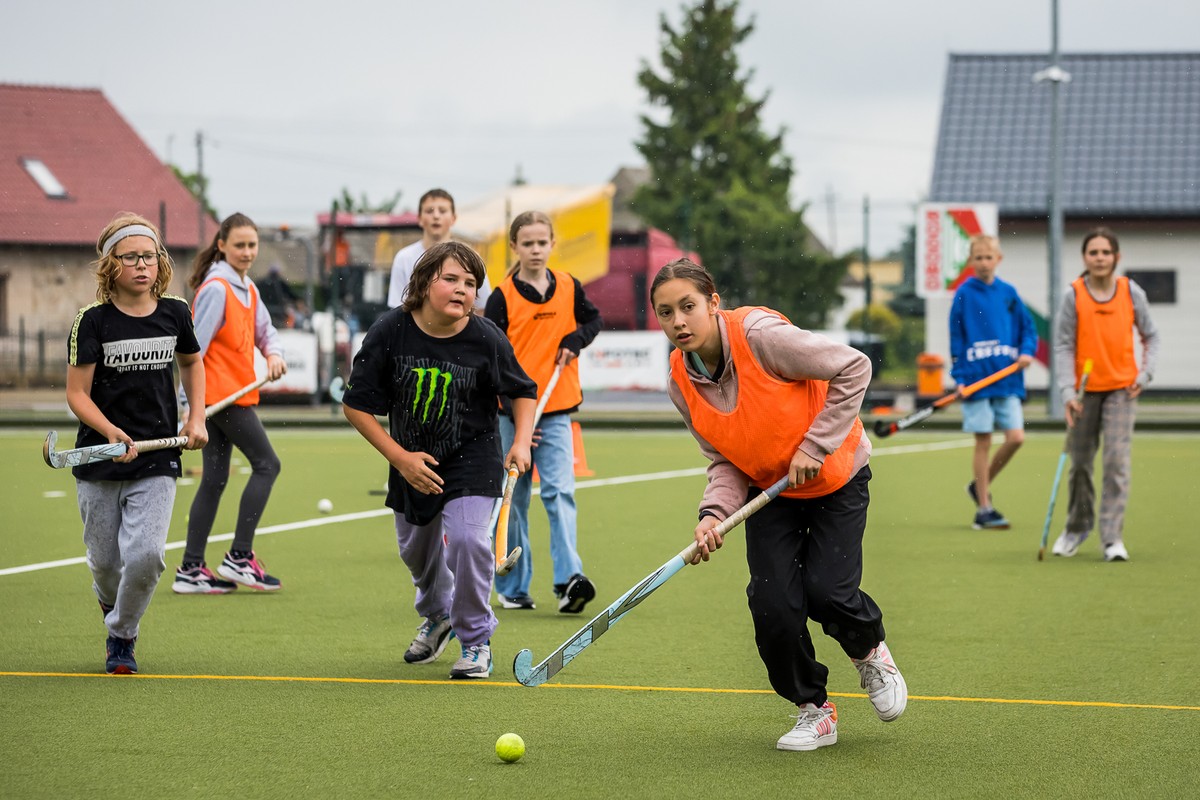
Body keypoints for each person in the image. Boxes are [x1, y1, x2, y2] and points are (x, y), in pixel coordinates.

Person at [650, 258, 906, 752]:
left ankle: (869, 650)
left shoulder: (762, 337)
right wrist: (712, 515)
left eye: (688, 307)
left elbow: (855, 366)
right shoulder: (680, 382)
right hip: (770, 491)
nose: (678, 321)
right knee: (772, 604)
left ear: (713, 304)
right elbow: (724, 459)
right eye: (665, 313)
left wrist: (815, 444)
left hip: (835, 477)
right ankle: (813, 709)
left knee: (827, 591)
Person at [343, 242, 536, 679]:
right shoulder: (390, 332)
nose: (462, 290)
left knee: (469, 542)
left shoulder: (486, 337)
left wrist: (521, 441)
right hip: (411, 460)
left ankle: (475, 638)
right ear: (425, 281)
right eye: (451, 278)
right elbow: (356, 406)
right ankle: (438, 614)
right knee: (417, 553)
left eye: (471, 284)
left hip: (473, 458)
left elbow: (522, 390)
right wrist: (401, 459)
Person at [67, 213, 209, 674]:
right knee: (106, 565)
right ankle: (112, 604)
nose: (142, 265)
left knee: (146, 557)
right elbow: (76, 394)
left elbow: (192, 364)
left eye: (149, 256)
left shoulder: (174, 312)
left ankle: (122, 635)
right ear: (111, 264)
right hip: (100, 457)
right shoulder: (91, 321)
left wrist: (196, 415)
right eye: (131, 257)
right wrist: (110, 431)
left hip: (158, 458)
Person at [485, 211, 602, 613]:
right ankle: (514, 586)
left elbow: (593, 320)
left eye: (542, 242)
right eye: (527, 243)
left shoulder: (569, 287)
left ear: (553, 244)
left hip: (556, 411)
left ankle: (569, 579)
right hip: (511, 413)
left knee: (559, 494)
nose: (535, 250)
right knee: (513, 501)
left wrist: (576, 338)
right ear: (514, 247)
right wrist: (518, 422)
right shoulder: (501, 296)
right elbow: (493, 359)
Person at [173, 212, 288, 594]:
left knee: (216, 478)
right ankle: (240, 557)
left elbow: (265, 331)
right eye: (239, 245)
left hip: (225, 398)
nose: (247, 252)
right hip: (219, 400)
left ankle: (191, 569)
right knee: (267, 465)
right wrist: (188, 407)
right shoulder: (218, 289)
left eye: (252, 245)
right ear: (221, 245)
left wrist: (272, 353)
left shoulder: (247, 288)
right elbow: (192, 350)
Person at [1051, 228, 1160, 561]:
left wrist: (1145, 373)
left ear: (1116, 257)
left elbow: (1151, 337)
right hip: (1084, 393)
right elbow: (1063, 344)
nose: (1099, 258)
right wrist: (1068, 391)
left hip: (1122, 390)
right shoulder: (1074, 295)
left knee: (1115, 463)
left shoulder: (1130, 292)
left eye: (1105, 252)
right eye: (1093, 252)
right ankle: (1076, 527)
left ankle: (1112, 538)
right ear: (1085, 258)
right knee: (1080, 464)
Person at [948, 235, 1037, 530]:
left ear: (998, 260)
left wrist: (1026, 352)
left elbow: (1028, 329)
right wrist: (960, 378)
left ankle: (979, 485)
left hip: (1008, 380)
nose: (984, 263)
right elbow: (957, 340)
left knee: (1016, 438)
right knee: (983, 441)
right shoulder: (963, 295)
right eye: (978, 258)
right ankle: (984, 508)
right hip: (976, 382)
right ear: (971, 261)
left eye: (989, 257)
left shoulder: (1009, 293)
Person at [387, 188, 490, 311]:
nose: (436, 216)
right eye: (429, 211)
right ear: (419, 218)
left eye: (442, 211)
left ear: (453, 218)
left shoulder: (470, 258)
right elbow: (398, 307)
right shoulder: (404, 257)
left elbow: (483, 307)